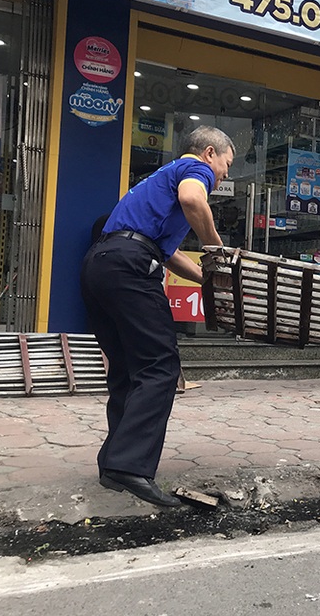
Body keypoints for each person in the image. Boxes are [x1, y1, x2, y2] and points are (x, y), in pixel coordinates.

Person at [80, 126, 233, 507]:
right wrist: (217, 253)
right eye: (225, 167)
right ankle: (130, 466)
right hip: (130, 268)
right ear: (209, 153)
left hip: (101, 264)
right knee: (161, 367)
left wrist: (207, 280)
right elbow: (193, 200)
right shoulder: (192, 171)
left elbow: (167, 252)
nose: (223, 176)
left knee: (128, 369)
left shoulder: (159, 180)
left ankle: (114, 465)